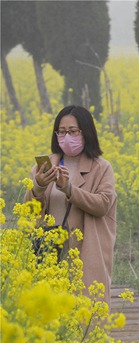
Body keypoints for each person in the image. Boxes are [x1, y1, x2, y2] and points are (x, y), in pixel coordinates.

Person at [26, 105, 117, 303]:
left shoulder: (101, 168)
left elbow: (103, 204)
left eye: (73, 131)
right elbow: (28, 212)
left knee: (84, 310)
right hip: (49, 247)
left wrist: (69, 189)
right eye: (62, 131)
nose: (67, 137)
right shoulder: (44, 165)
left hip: (84, 249)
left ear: (86, 133)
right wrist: (39, 186)